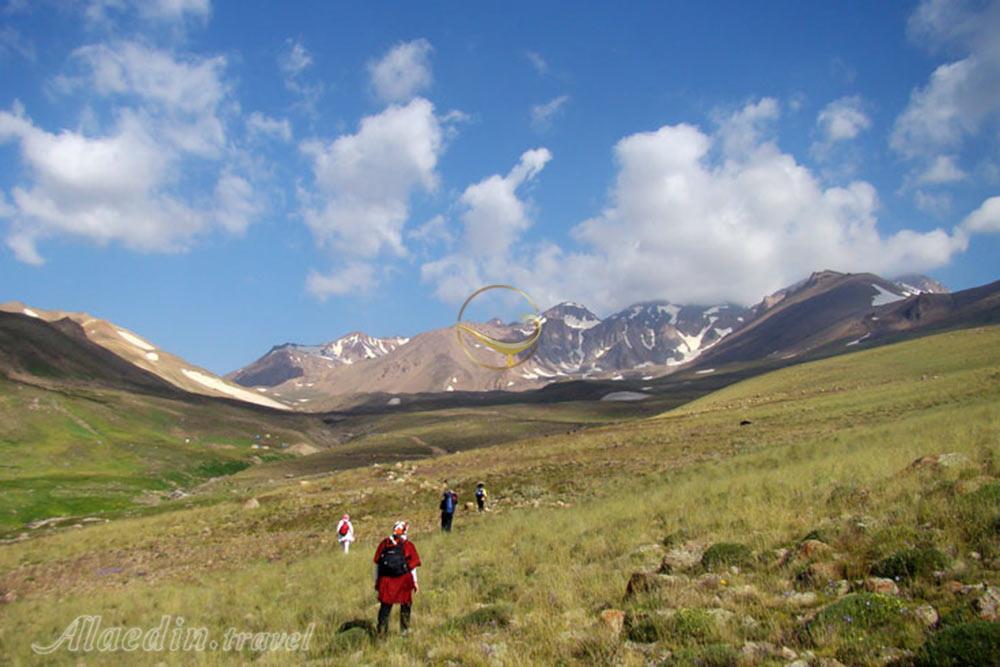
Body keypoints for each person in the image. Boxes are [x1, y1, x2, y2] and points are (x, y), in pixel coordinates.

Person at [373, 521, 421, 636]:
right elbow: (412, 566)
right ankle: (404, 630)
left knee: (385, 606)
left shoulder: (384, 543)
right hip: (404, 578)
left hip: (386, 580)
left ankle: (381, 632)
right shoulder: (408, 545)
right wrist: (415, 581)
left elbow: (377, 564)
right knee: (406, 603)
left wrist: (377, 581)